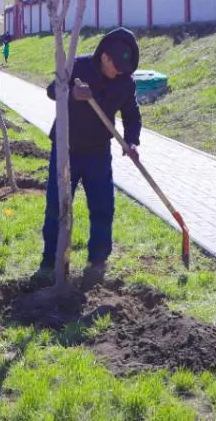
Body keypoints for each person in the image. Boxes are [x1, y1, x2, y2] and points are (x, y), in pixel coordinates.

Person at [36, 27, 141, 286]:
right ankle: (50, 263)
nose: (119, 73)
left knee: (103, 206)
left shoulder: (125, 82)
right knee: (56, 207)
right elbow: (51, 91)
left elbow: (131, 113)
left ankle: (97, 261)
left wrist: (131, 140)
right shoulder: (78, 67)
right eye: (116, 67)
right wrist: (71, 93)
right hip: (66, 150)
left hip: (98, 152)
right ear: (104, 57)